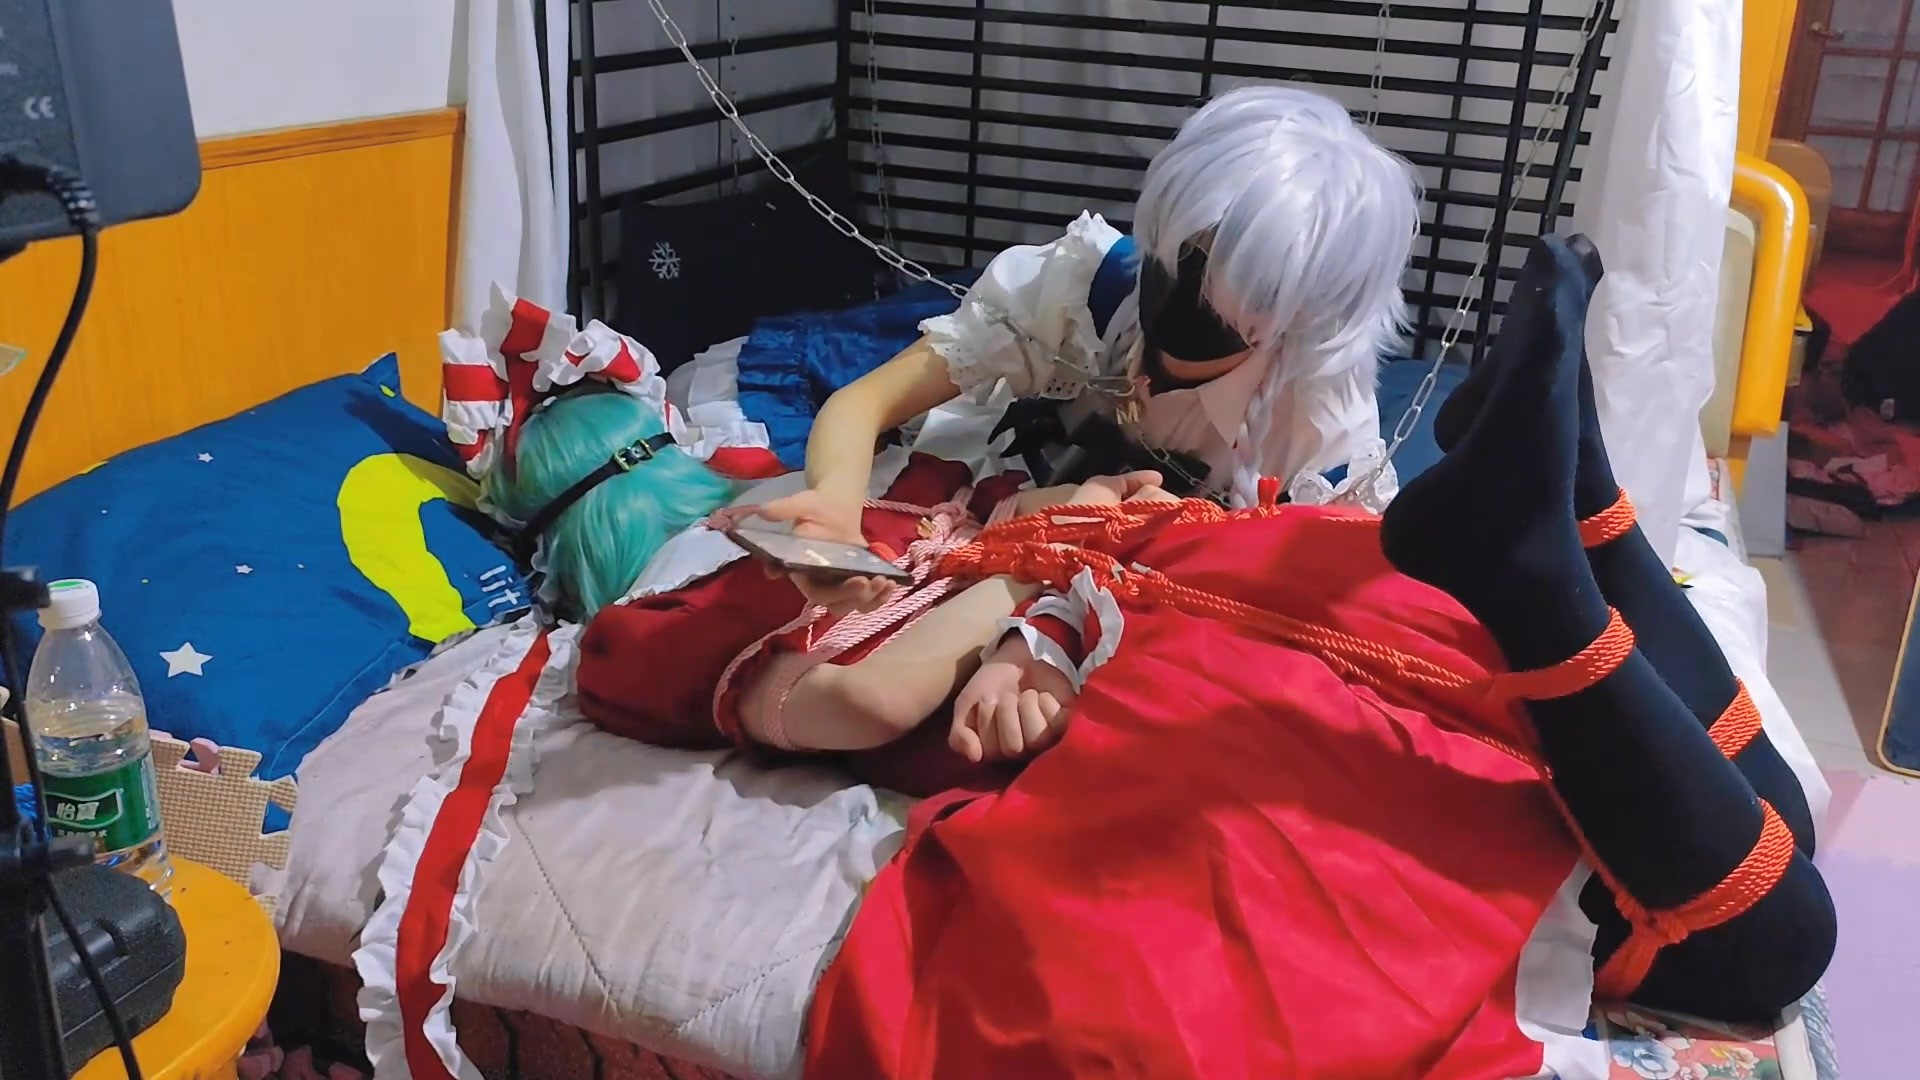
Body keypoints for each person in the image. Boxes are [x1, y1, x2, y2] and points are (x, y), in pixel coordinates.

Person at [804, 236, 1834, 1080]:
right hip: (1148, 587)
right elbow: (875, 680)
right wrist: (1022, 609)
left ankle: (1562, 527)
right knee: (1775, 868)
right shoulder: (989, 498)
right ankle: (1580, 511)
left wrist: (1082, 555)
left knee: (1780, 912)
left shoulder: (1285, 380)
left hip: (1217, 558)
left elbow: (1282, 515)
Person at [760, 83, 1423, 614]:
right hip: (1020, 498)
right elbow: (868, 401)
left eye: (1243, 282)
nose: (1195, 282)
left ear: (1303, 311)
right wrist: (834, 503)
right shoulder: (1080, 286)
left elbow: (1313, 602)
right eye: (1185, 247)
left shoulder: (1321, 426)